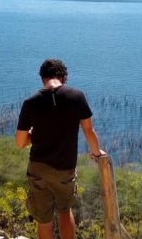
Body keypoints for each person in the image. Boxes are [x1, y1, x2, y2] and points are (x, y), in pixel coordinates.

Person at [15, 58, 104, 239]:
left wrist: (35, 134)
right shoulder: (77, 97)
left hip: (38, 167)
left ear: (42, 79)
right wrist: (97, 153)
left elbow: (20, 142)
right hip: (65, 168)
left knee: (44, 218)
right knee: (65, 210)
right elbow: (88, 131)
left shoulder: (30, 102)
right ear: (63, 77)